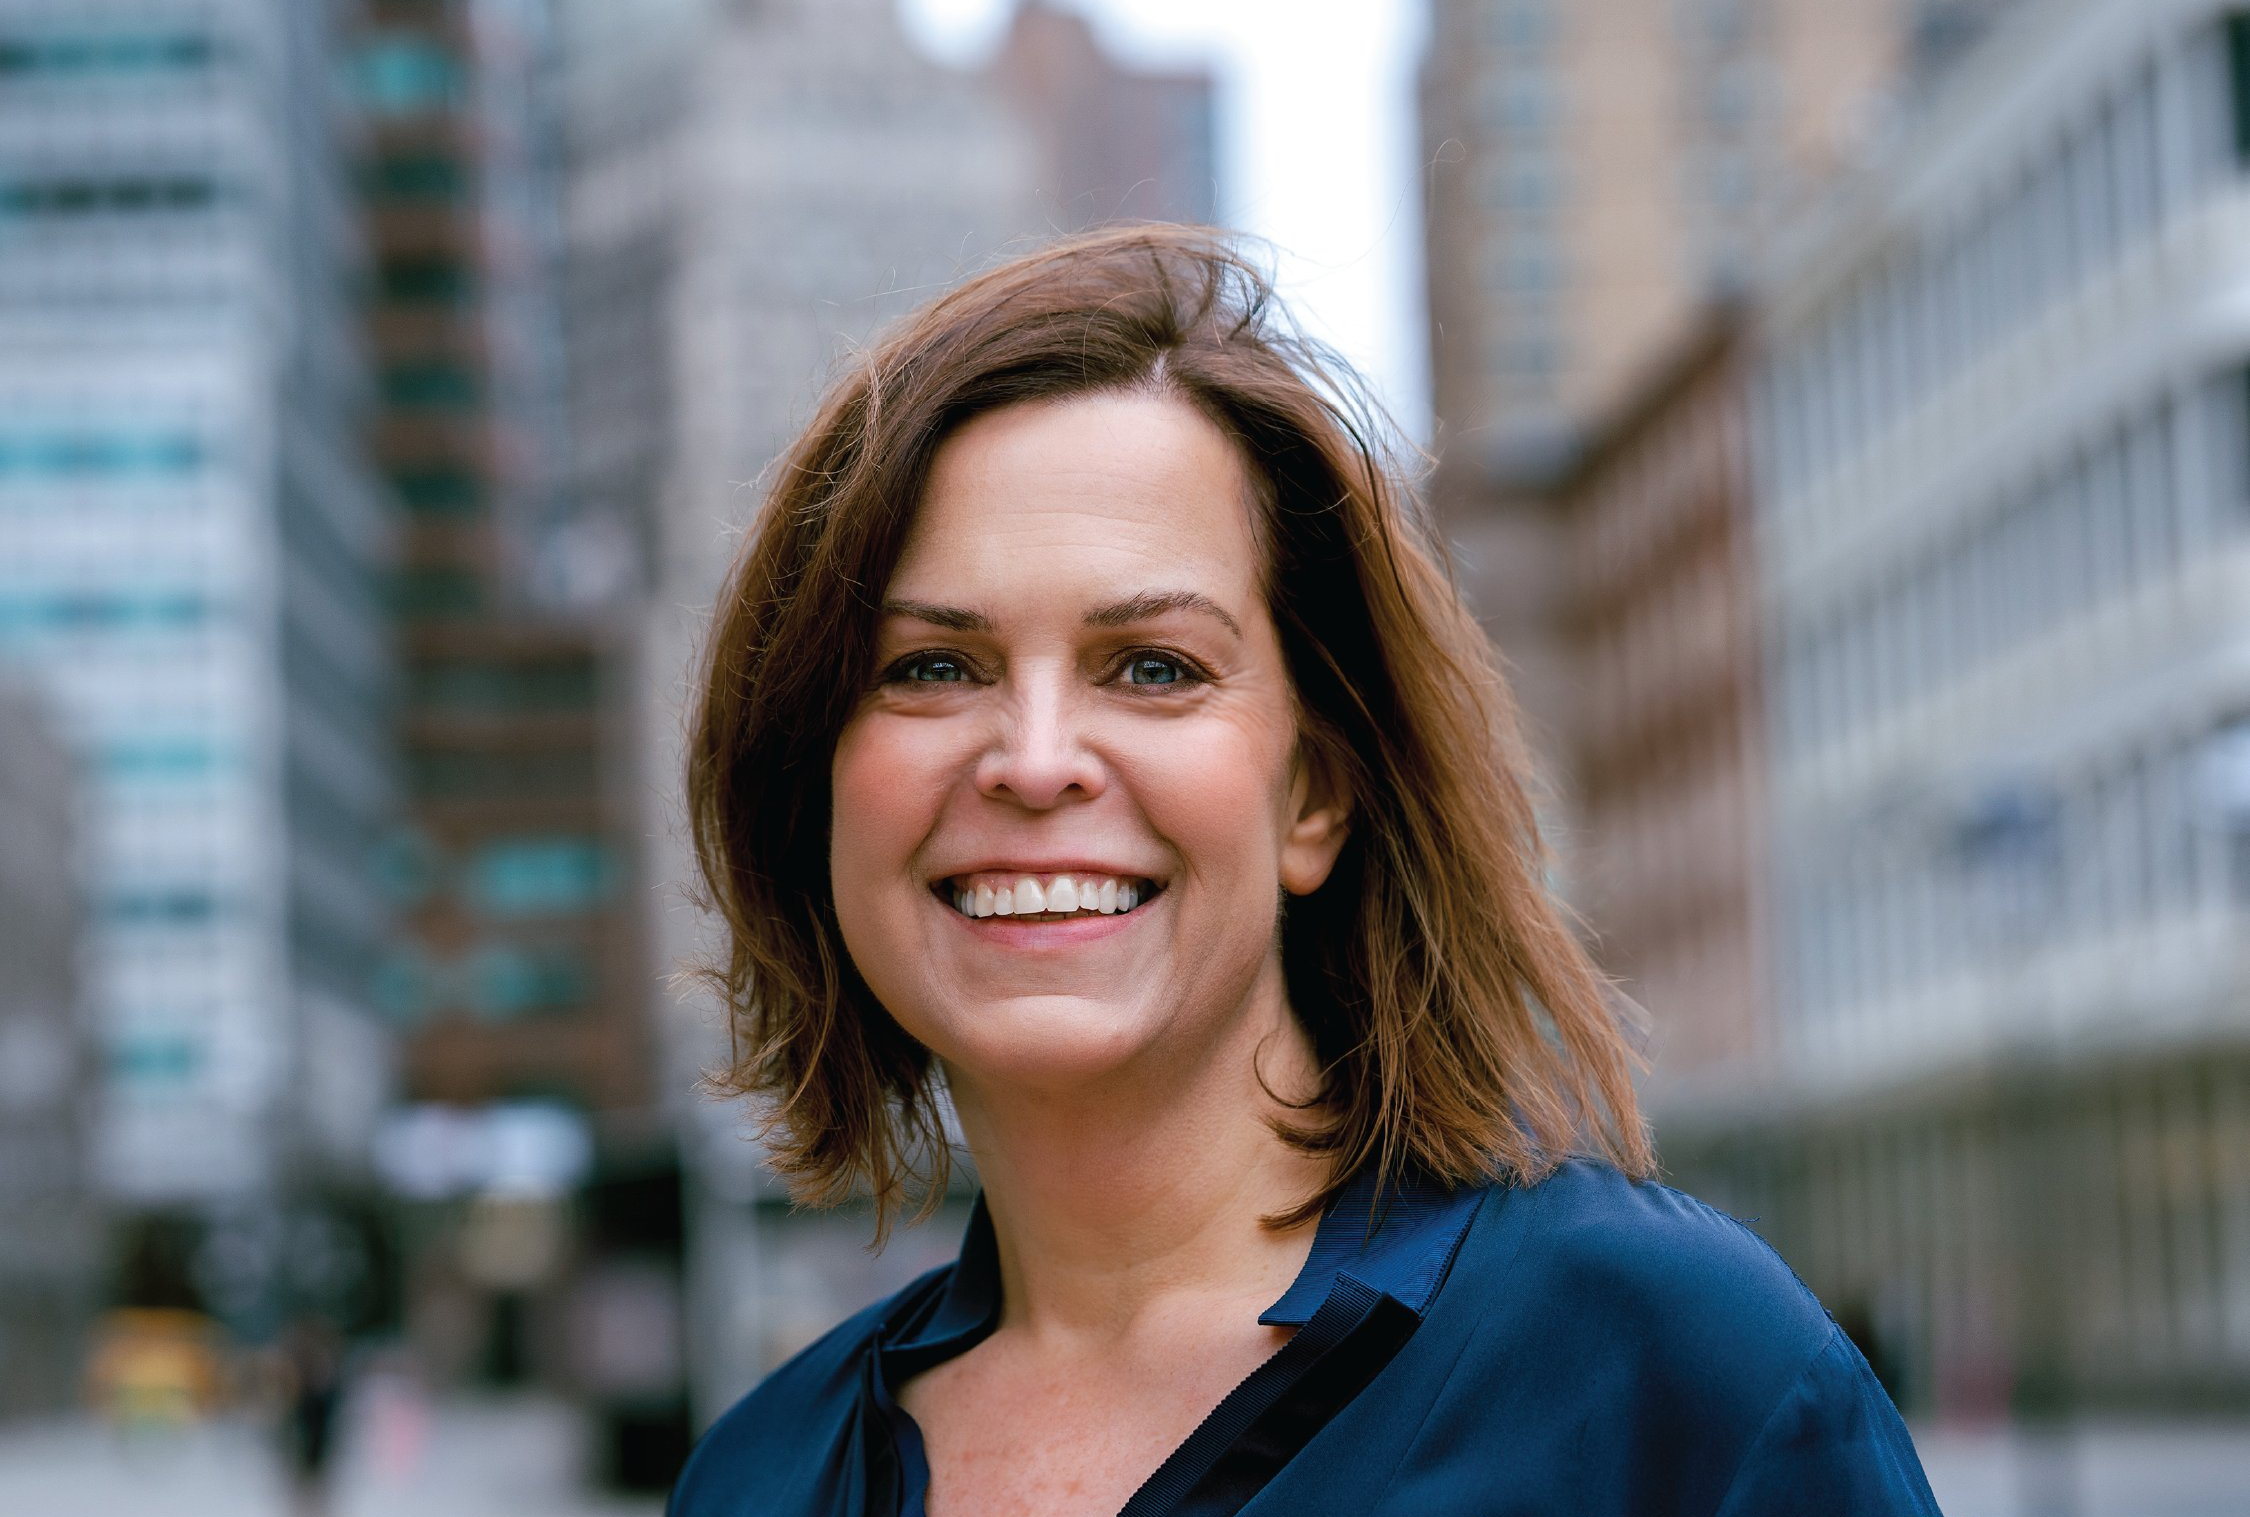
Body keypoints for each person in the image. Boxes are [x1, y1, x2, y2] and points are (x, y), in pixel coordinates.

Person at [669, 225, 1941, 1517]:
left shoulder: (1669, 1375)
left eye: (1153, 667)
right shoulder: (757, 1480)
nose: (1034, 761)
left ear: (1316, 796)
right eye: (931, 669)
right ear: (813, 783)